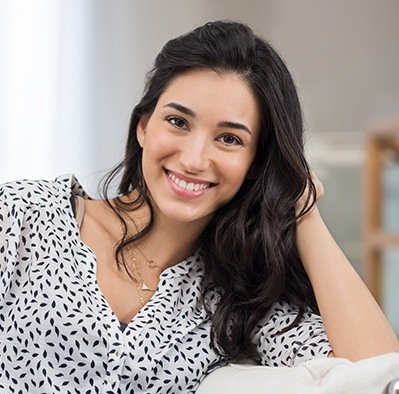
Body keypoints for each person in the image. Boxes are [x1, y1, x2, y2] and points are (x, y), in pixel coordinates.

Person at [0, 20, 397, 394]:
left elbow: (377, 374)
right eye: (177, 122)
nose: (193, 158)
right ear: (143, 127)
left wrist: (303, 210)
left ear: (256, 163)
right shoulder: (25, 214)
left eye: (229, 139)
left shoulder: (240, 299)